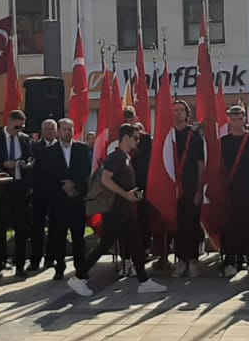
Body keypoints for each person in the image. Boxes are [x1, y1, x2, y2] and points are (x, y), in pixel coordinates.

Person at [66, 124, 166, 296]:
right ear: (126, 137)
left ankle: (143, 280)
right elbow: (105, 179)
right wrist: (126, 194)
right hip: (115, 210)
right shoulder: (116, 157)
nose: (137, 141)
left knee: (135, 244)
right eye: (135, 137)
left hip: (126, 209)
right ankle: (79, 277)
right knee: (105, 244)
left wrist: (132, 194)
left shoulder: (126, 157)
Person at [0, 110, 34, 279]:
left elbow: (32, 156)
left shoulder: (25, 139)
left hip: (20, 188)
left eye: (22, 127)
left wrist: (28, 163)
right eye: (16, 126)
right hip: (2, 190)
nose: (19, 130)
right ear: (9, 122)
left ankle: (20, 265)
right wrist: (3, 164)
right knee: (0, 229)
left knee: (22, 229)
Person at [39, 117, 92, 280]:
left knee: (78, 237)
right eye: (64, 129)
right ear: (58, 131)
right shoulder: (49, 152)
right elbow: (47, 175)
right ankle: (59, 267)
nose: (67, 132)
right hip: (59, 201)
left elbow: (85, 171)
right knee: (58, 236)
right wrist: (63, 186)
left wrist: (74, 186)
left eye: (70, 129)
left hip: (76, 199)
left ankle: (80, 268)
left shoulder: (82, 149)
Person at [219, 105, 249, 278]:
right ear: (229, 119)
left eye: (240, 118)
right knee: (230, 228)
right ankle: (231, 261)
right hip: (229, 191)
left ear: (245, 119)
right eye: (233, 119)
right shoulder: (223, 141)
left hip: (248, 190)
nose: (236, 122)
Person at [167, 102, 206, 276]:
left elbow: (200, 163)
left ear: (187, 113)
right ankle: (181, 260)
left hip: (190, 186)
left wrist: (199, 189)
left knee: (192, 223)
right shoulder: (167, 136)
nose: (178, 113)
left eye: (181, 110)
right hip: (171, 187)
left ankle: (193, 260)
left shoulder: (194, 136)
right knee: (177, 225)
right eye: (174, 110)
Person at [25, 118, 60, 274]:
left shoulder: (60, 147)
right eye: (46, 128)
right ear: (42, 130)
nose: (49, 131)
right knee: (37, 227)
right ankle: (35, 259)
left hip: (56, 193)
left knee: (55, 227)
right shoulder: (34, 147)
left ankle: (50, 258)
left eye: (52, 128)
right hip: (39, 193)